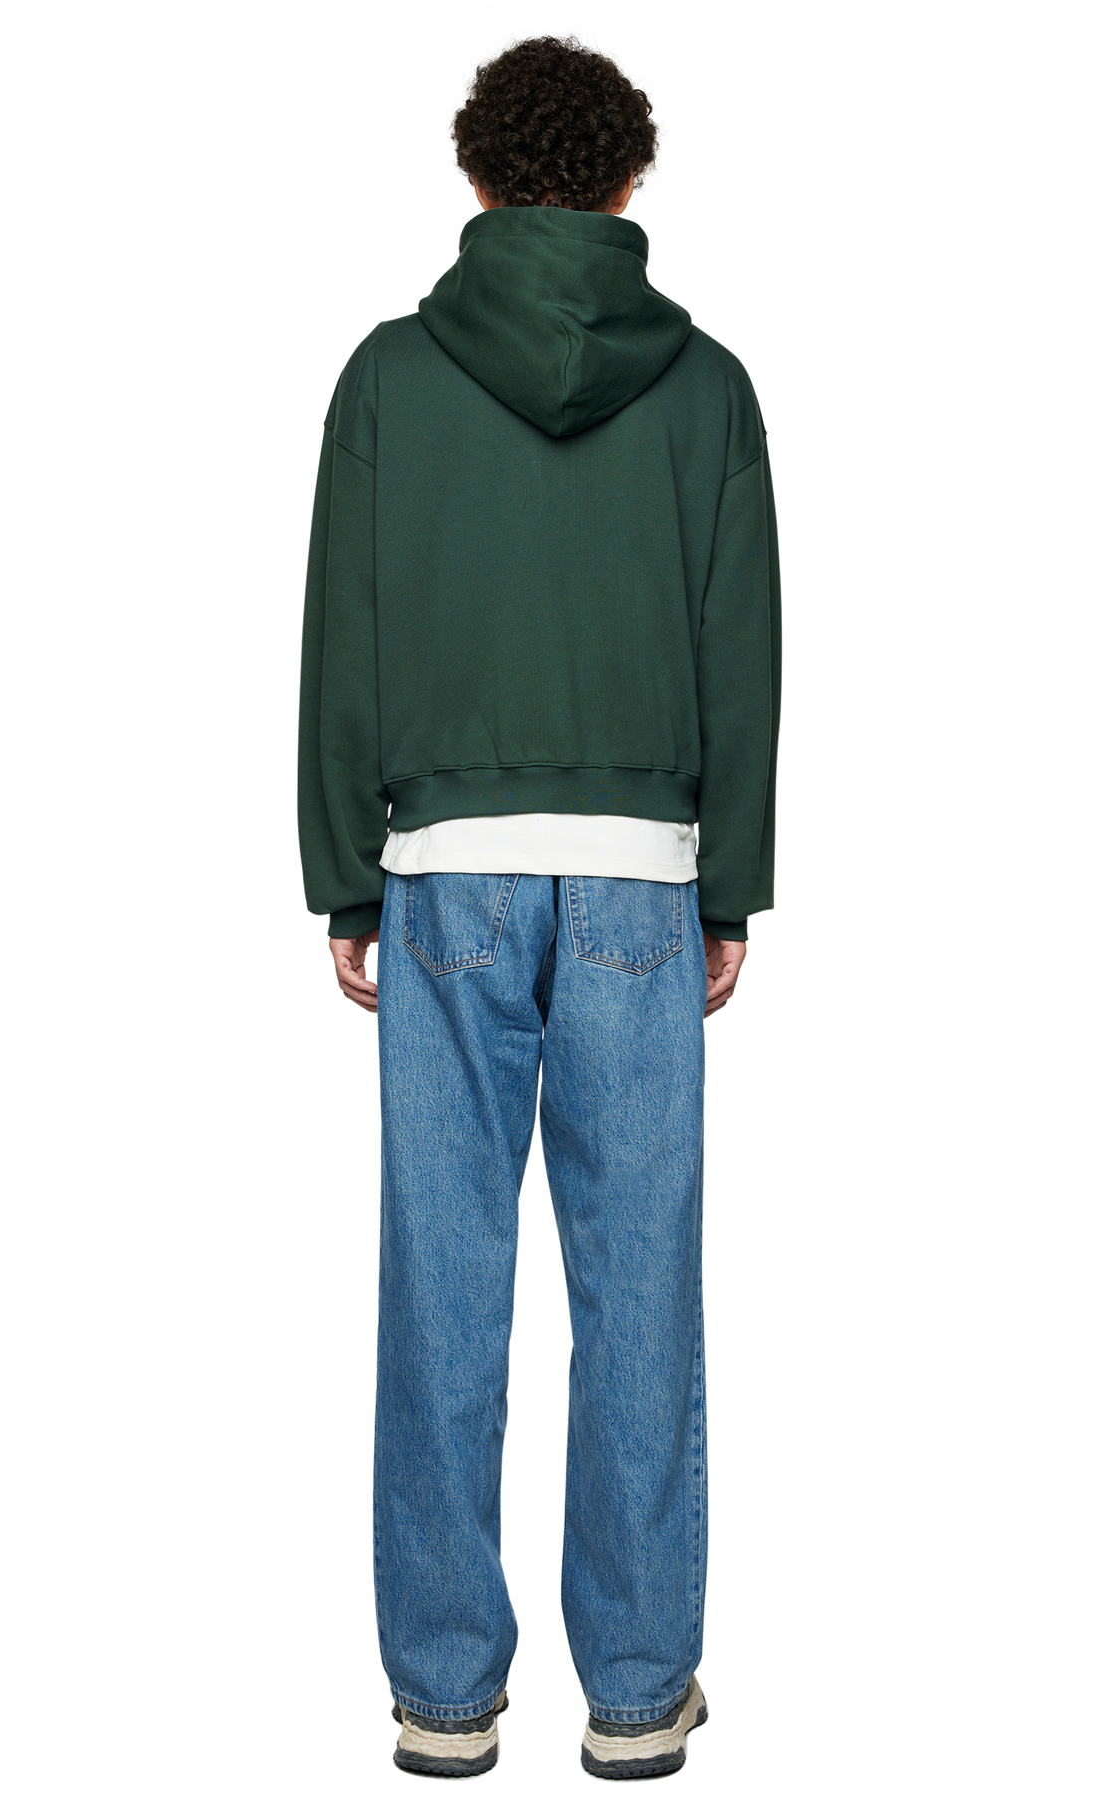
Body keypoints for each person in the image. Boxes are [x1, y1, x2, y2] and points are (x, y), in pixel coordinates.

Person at [294, 26, 782, 1785]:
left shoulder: (385, 375)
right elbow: (744, 651)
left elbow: (343, 635)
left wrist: (341, 871)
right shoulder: (709, 383)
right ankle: (639, 1699)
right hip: (646, 878)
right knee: (642, 1287)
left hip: (447, 880)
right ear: (636, 177)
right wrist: (736, 882)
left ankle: (444, 1698)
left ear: (471, 173)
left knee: (442, 1284)